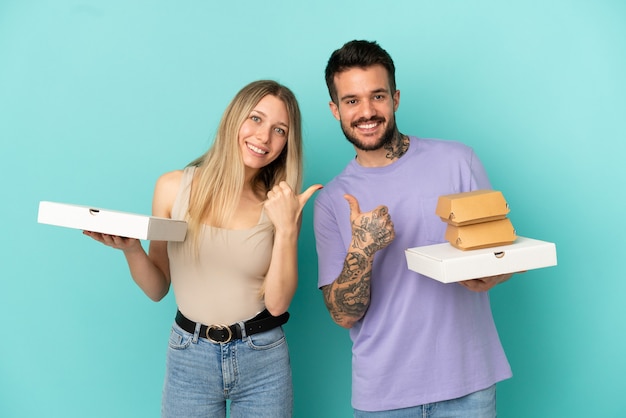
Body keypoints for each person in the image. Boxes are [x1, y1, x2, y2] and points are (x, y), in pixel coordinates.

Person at [84, 79, 321, 418]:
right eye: (255, 119)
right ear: (234, 118)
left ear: (287, 142)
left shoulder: (281, 205)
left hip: (262, 357)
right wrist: (132, 249)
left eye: (279, 129)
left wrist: (285, 230)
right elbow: (157, 288)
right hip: (189, 355)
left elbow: (278, 303)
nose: (264, 137)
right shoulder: (172, 188)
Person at [313, 40, 514, 417]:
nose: (367, 111)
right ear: (334, 109)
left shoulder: (458, 161)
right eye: (352, 101)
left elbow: (502, 251)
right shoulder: (331, 201)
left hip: (468, 385)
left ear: (396, 98)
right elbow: (342, 315)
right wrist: (363, 248)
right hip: (385, 394)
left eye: (377, 96)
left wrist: (493, 275)